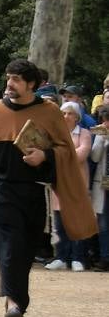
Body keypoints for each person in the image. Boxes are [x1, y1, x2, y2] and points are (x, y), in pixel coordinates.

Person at [0, 60, 96, 317]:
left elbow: (65, 151)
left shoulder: (50, 112)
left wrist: (45, 155)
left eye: (16, 79)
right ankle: (12, 304)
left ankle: (18, 301)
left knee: (27, 248)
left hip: (34, 191)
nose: (10, 84)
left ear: (31, 84)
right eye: (8, 78)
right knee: (9, 245)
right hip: (2, 190)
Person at [43, 101, 94, 272]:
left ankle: (78, 257)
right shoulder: (56, 134)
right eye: (63, 113)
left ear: (77, 117)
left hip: (77, 183)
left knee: (77, 221)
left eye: (69, 113)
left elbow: (82, 154)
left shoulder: (84, 133)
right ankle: (61, 257)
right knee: (59, 222)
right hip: (59, 182)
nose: (66, 116)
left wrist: (60, 154)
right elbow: (50, 154)